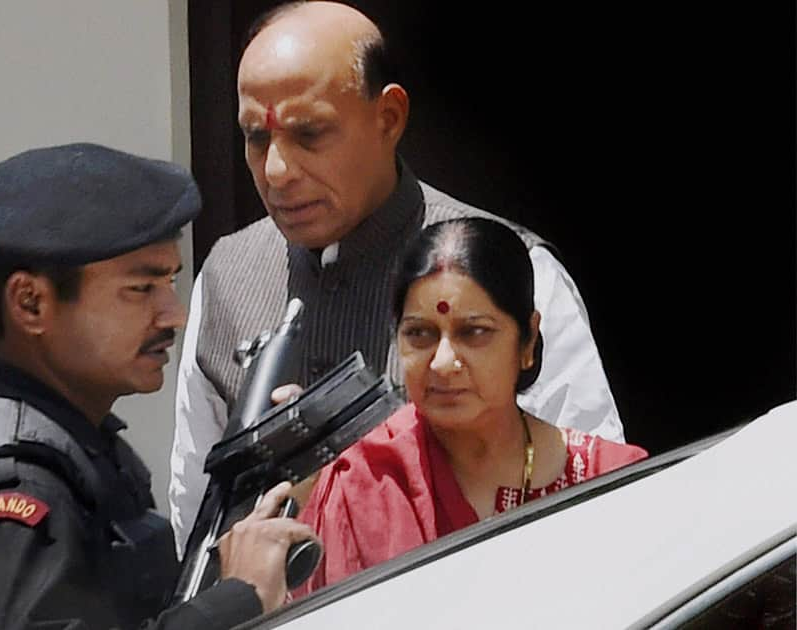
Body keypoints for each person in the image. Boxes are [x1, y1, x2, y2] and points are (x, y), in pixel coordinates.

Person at [169, 0, 626, 553]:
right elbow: (195, 512)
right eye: (256, 137)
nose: (277, 172)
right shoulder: (227, 278)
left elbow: (596, 502)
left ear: (388, 118)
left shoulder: (513, 270)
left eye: (309, 134)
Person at [0, 143, 317, 630]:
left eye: (171, 283)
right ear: (30, 303)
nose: (173, 315)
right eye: (141, 289)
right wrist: (238, 599)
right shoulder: (11, 489)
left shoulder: (75, 450)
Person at [292, 217, 648, 595]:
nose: (443, 362)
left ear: (526, 342)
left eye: (474, 332)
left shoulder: (609, 483)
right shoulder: (362, 481)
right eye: (420, 334)